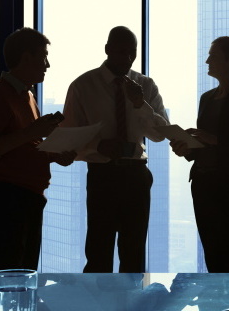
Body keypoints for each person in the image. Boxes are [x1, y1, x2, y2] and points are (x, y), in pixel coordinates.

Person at [61, 26, 169, 272]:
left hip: (137, 175)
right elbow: (68, 137)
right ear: (107, 49)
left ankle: (130, 306)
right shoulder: (83, 86)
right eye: (121, 52)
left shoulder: (146, 86)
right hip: (102, 176)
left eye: (132, 53)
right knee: (99, 252)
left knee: (134, 254)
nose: (128, 58)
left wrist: (140, 104)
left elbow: (160, 134)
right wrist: (99, 145)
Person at [0, 27, 75, 273]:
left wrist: (54, 155)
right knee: (6, 275)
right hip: (6, 198)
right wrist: (32, 131)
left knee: (23, 273)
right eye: (43, 56)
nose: (47, 64)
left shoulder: (28, 96)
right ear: (26, 57)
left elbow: (24, 146)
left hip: (27, 197)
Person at [170, 36, 229, 272]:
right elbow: (204, 145)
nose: (207, 61)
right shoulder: (207, 98)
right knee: (212, 251)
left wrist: (214, 139)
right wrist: (187, 148)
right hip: (203, 183)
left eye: (213, 56)